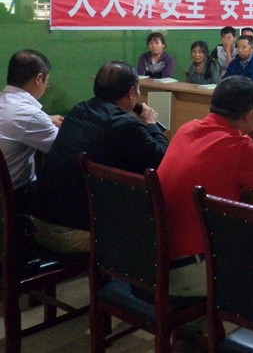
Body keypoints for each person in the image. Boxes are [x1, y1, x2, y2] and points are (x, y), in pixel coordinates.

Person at [158, 76, 253, 296]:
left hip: (155, 260)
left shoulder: (187, 129)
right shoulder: (239, 146)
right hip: (191, 269)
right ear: (249, 115)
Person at [30, 61, 168, 253]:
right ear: (131, 92)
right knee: (153, 225)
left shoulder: (79, 110)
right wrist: (151, 123)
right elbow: (162, 159)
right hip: (73, 233)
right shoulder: (126, 124)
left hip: (37, 223)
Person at [0, 50, 63, 212]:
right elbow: (63, 148)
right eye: (47, 81)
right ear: (39, 78)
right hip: (15, 199)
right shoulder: (30, 115)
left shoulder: (6, 103)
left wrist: (46, 119)